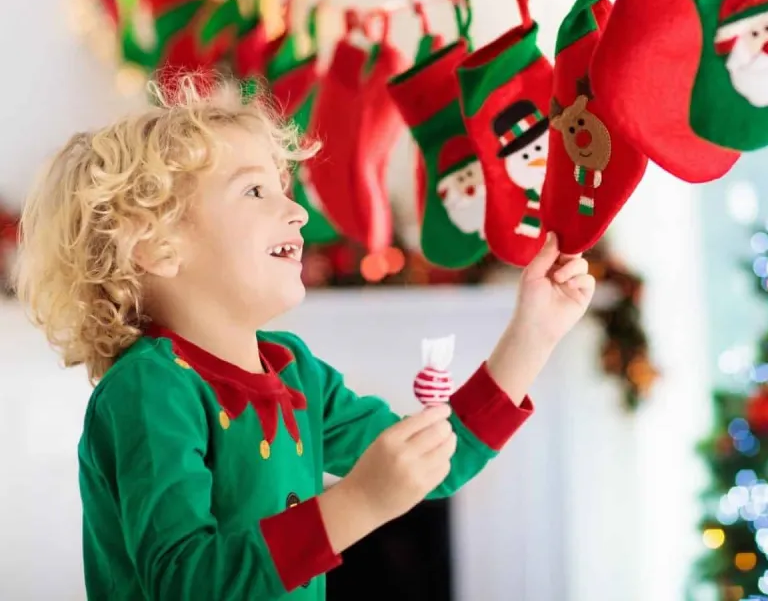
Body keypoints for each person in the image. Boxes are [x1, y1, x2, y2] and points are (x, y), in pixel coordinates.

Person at [14, 78, 595, 600]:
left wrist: (534, 334)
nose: (294, 211)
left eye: (283, 188)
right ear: (157, 247)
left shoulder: (296, 372)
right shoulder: (148, 389)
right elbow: (184, 583)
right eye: (254, 192)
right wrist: (360, 502)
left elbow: (435, 465)